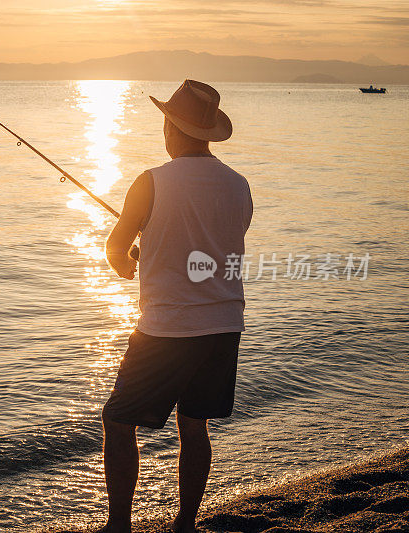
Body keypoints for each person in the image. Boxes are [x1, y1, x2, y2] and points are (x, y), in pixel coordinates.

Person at [99, 80, 253, 533]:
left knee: (118, 419)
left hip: (167, 328)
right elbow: (212, 249)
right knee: (195, 423)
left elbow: (116, 251)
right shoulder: (238, 184)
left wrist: (131, 260)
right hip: (225, 323)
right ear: (207, 132)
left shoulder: (151, 181)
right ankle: (185, 523)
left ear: (171, 126)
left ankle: (119, 527)